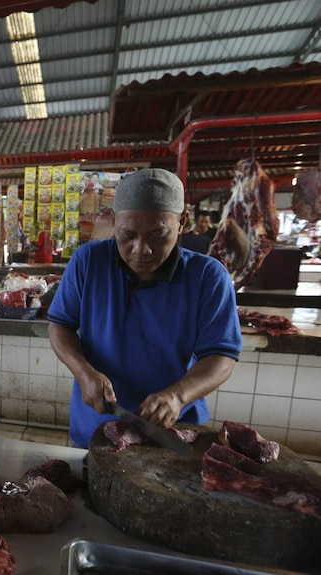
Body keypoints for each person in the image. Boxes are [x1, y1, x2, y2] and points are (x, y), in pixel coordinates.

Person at [47, 168, 242, 449]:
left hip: (174, 430)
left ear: (182, 223)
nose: (141, 250)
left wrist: (178, 396)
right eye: (127, 235)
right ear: (114, 223)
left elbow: (222, 356)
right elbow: (60, 325)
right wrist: (83, 372)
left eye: (157, 235)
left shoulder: (208, 276)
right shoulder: (88, 262)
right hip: (96, 426)